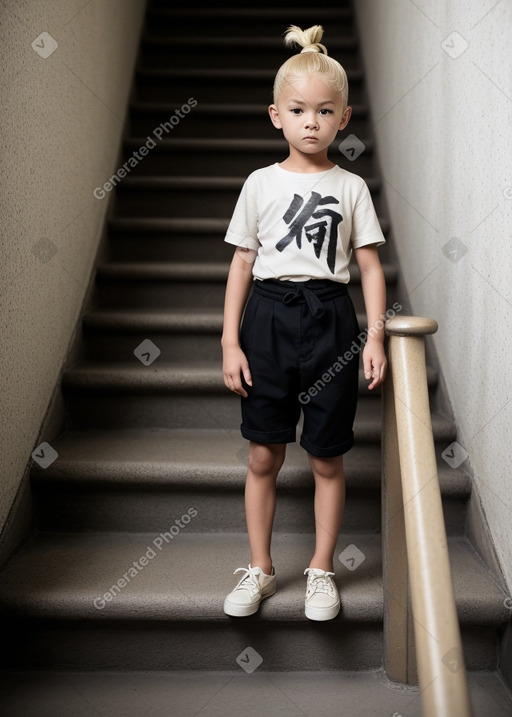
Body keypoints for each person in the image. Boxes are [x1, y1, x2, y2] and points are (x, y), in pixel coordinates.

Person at [221, 24, 387, 621]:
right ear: (276, 116)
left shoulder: (351, 187)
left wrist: (376, 335)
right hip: (266, 318)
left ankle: (321, 570)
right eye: (298, 110)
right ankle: (260, 568)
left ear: (343, 118)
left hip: (331, 321)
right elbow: (242, 262)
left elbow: (368, 267)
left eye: (324, 110)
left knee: (326, 457)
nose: (311, 121)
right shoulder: (259, 184)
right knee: (264, 453)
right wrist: (229, 341)